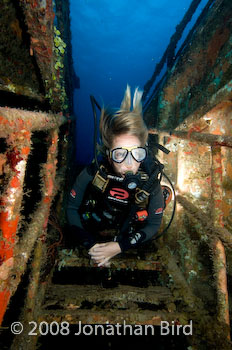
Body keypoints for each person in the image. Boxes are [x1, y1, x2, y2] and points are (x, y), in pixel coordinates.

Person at [67, 85, 167, 267]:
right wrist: (91, 245)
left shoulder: (150, 181)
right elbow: (72, 208)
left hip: (129, 228)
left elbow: (153, 224)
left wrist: (120, 246)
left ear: (144, 153)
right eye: (120, 154)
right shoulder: (95, 172)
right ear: (108, 155)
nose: (129, 163)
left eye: (137, 154)